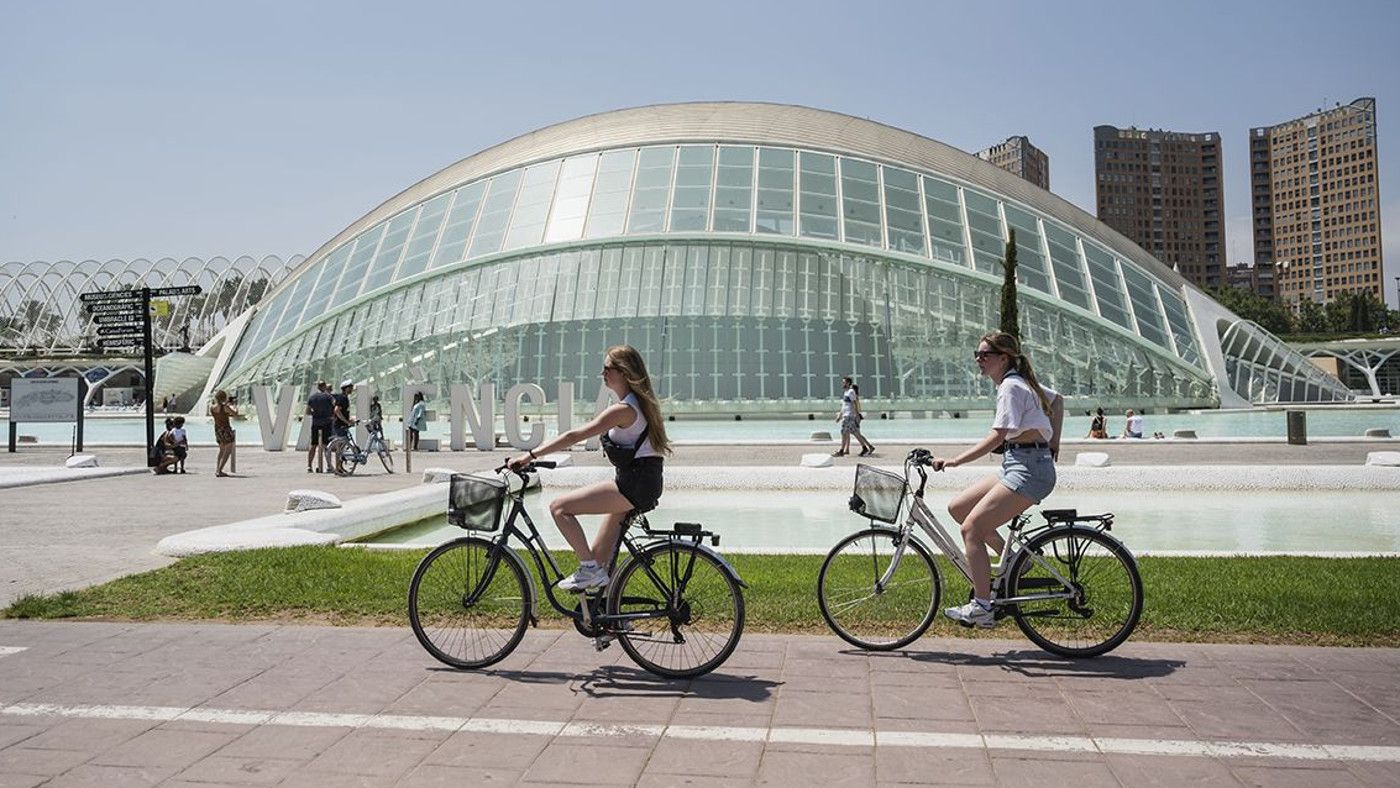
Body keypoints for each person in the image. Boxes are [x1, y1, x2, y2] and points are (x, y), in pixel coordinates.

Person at [507, 345, 671, 592]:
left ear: (624, 372)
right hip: (640, 483)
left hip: (632, 486)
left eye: (607, 368)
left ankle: (589, 571)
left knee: (559, 508)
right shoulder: (639, 404)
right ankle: (613, 621)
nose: (602, 373)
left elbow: (575, 435)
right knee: (599, 558)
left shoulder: (625, 410)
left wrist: (531, 455)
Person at [932, 331, 1064, 628]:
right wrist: (1053, 443)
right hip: (1018, 463)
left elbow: (997, 437)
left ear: (1004, 358)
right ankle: (1018, 560)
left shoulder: (1011, 386)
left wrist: (954, 460)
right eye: (976, 355)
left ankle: (982, 607)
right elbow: (1058, 402)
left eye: (984, 355)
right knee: (958, 508)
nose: (978, 360)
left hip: (1028, 469)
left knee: (972, 530)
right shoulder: (1018, 382)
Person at [832, 376, 876, 457]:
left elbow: (854, 403)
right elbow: (844, 406)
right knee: (853, 432)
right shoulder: (846, 392)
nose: (842, 384)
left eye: (844, 382)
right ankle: (864, 447)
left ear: (848, 383)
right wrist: (840, 415)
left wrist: (856, 415)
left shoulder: (851, 392)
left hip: (849, 416)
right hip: (846, 415)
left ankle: (842, 450)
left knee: (845, 432)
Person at [306, 381, 334, 473]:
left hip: (316, 423)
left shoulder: (312, 397)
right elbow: (335, 406)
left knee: (313, 445)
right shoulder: (328, 397)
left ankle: (309, 466)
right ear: (325, 386)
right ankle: (329, 466)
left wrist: (316, 413)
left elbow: (307, 412)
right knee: (326, 446)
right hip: (326, 423)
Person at [210, 389, 238, 477]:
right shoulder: (225, 407)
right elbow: (235, 414)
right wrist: (235, 406)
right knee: (228, 450)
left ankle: (217, 469)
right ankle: (220, 470)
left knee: (221, 450)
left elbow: (221, 415)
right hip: (226, 429)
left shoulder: (212, 407)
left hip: (218, 429)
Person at [330, 379, 356, 476]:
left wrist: (349, 420)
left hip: (342, 425)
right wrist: (346, 421)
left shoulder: (344, 397)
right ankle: (338, 467)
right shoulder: (342, 398)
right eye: (351, 387)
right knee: (341, 447)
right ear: (346, 388)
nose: (352, 389)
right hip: (340, 425)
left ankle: (339, 466)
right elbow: (336, 410)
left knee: (342, 447)